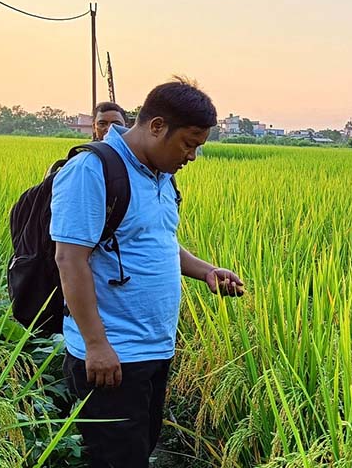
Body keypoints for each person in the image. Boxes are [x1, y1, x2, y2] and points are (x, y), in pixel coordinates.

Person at [51, 76, 245, 467]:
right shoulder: (93, 170)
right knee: (117, 459)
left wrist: (206, 271)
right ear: (157, 126)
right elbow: (69, 259)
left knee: (139, 450)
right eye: (188, 144)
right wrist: (96, 345)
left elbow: (158, 242)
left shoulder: (161, 174)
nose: (191, 157)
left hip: (154, 349)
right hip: (113, 357)